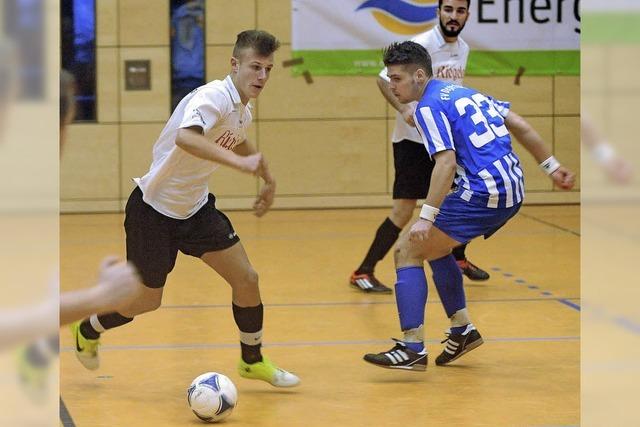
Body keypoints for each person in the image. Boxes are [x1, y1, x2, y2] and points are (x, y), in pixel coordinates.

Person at [69, 30, 300, 388]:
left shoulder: (242, 110)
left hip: (196, 210)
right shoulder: (212, 97)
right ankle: (88, 327)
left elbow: (237, 138)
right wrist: (240, 166)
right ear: (235, 64)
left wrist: (266, 176)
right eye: (256, 67)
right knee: (145, 302)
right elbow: (186, 137)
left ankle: (251, 360)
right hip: (153, 211)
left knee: (247, 279)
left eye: (269, 69)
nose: (262, 77)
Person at [363, 41, 575, 370]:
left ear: (419, 75)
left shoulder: (427, 107)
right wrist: (551, 166)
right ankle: (462, 331)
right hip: (513, 186)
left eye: (396, 79)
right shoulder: (466, 94)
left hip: (484, 191)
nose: (391, 86)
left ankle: (412, 347)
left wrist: (425, 216)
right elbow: (520, 124)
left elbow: (445, 164)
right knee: (436, 248)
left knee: (408, 248)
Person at [351, 0, 551, 292]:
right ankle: (363, 270)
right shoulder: (421, 45)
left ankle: (457, 256)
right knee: (404, 210)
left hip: (447, 141)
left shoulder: (463, 49)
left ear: (467, 14)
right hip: (414, 141)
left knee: (459, 198)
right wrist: (404, 109)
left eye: (460, 11)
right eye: (448, 10)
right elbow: (383, 80)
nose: (453, 16)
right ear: (438, 12)